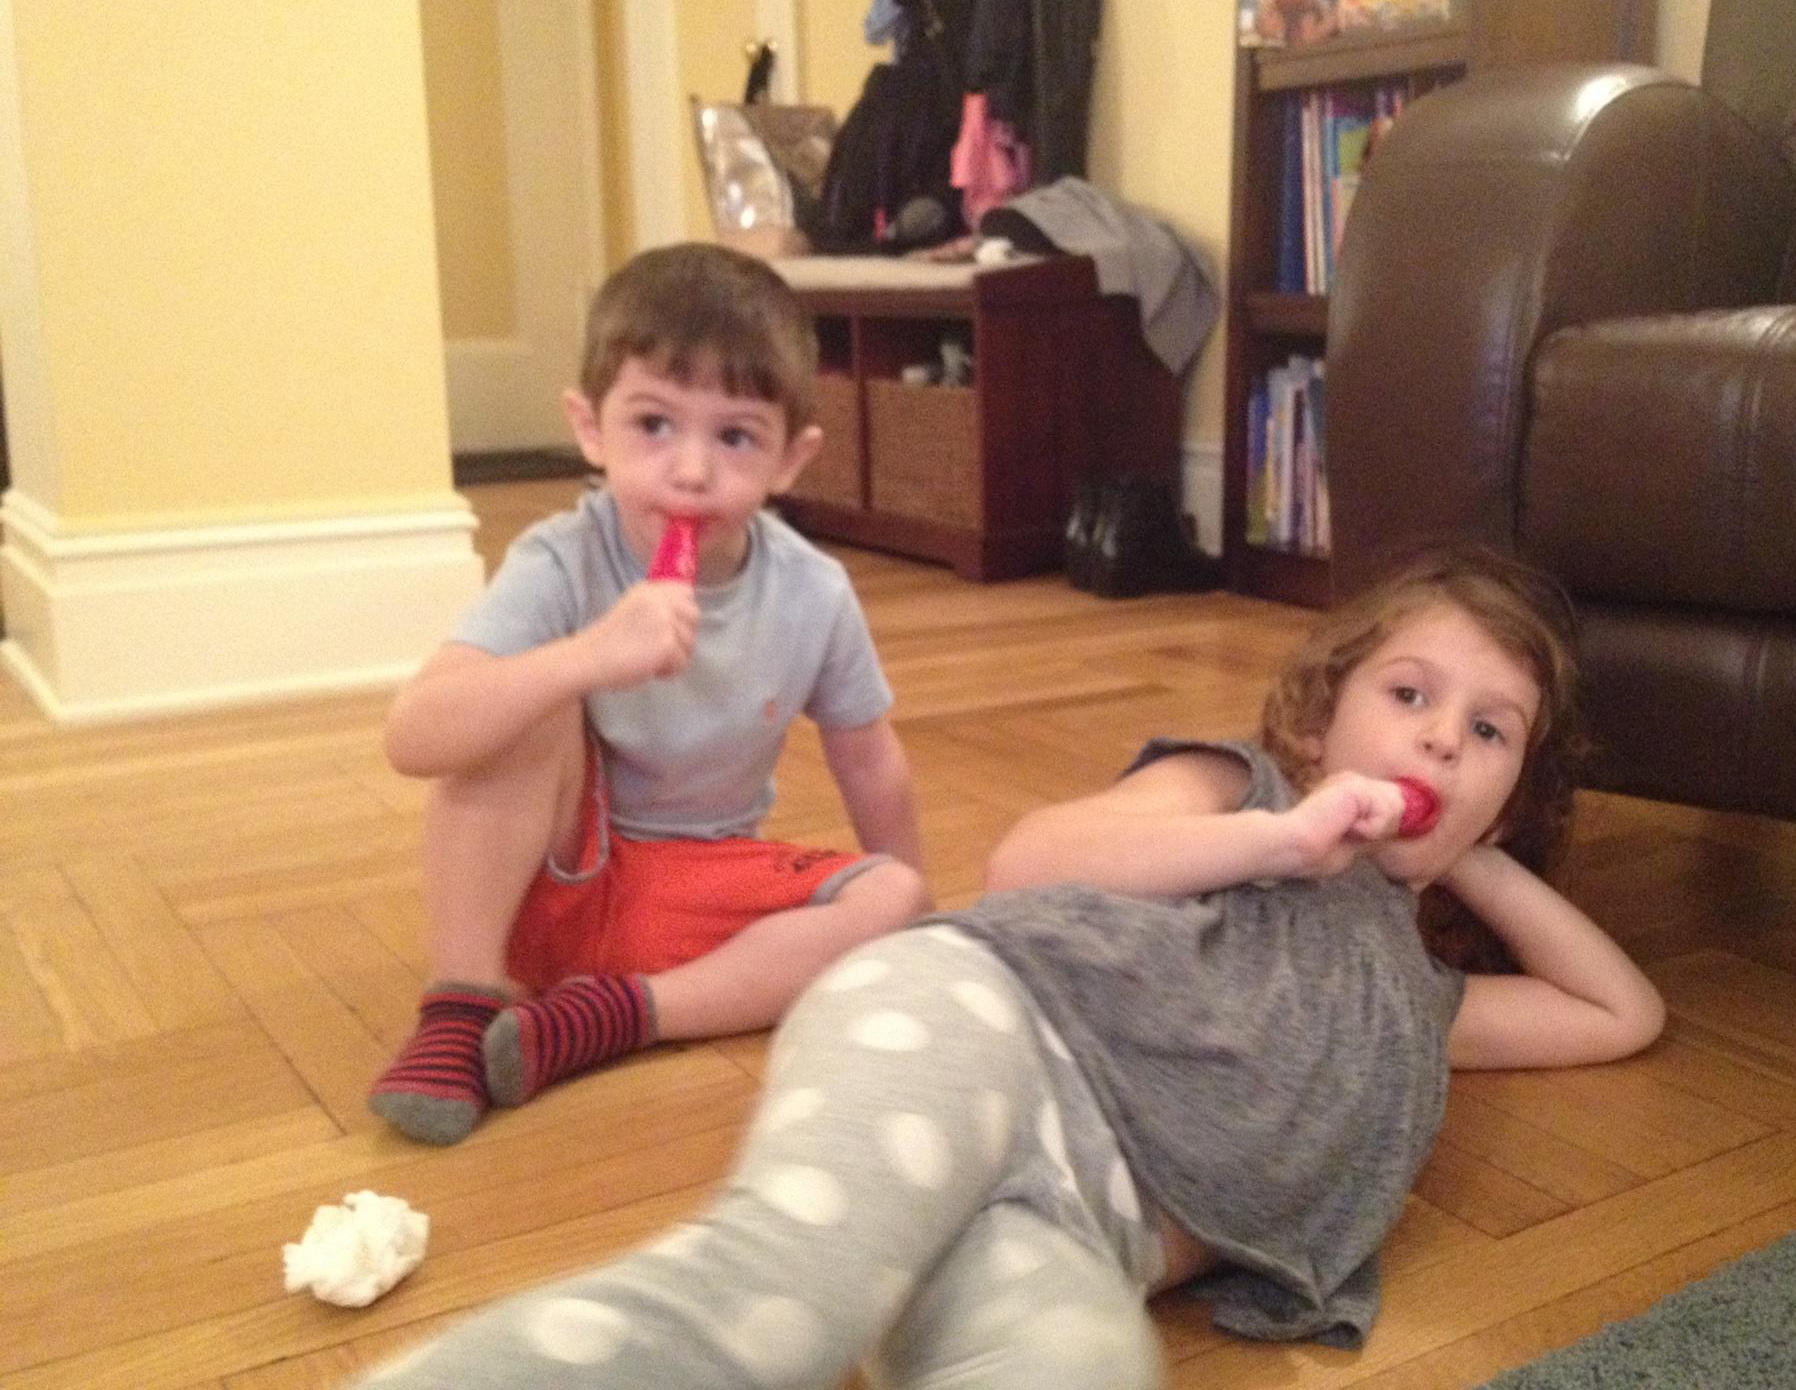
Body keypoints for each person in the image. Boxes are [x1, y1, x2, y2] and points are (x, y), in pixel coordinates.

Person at [349, 542, 1664, 1387]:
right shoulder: (1241, 795)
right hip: (978, 1033)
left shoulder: (1417, 1006)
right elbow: (1034, 863)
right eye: (1410, 697)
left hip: (1072, 1229)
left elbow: (1616, 1011)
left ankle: (907, 1288)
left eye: (1488, 734)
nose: (1437, 742)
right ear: (1323, 723)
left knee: (1086, 1367)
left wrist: (1471, 855)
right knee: (777, 1305)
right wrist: (1286, 834)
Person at [368, 244, 929, 1147]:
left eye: (736, 437)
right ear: (590, 428)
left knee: (893, 895)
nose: (692, 471)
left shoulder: (814, 591)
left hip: (697, 896)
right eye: (655, 424)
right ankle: (461, 1006)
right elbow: (414, 737)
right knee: (528, 697)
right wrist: (588, 657)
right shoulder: (561, 560)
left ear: (791, 459)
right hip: (548, 884)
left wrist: (916, 935)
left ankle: (618, 1017)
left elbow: (870, 760)